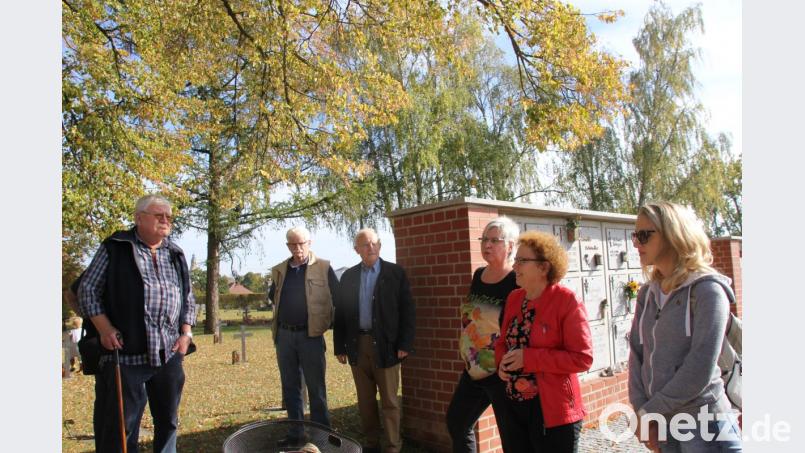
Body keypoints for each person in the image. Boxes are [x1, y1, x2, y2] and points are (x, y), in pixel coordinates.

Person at [78, 194, 197, 453]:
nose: (165, 221)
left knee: (168, 421)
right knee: (123, 427)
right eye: (159, 215)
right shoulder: (116, 247)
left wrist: (186, 333)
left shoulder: (175, 253)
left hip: (169, 353)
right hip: (126, 353)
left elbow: (188, 297)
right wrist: (104, 328)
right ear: (139, 218)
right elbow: (87, 290)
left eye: (169, 217)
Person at [628, 202, 742, 452]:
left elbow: (700, 366)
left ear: (674, 235)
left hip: (707, 425)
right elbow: (637, 354)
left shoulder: (708, 290)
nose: (636, 243)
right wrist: (642, 410)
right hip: (667, 426)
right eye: (635, 236)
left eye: (644, 235)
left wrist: (649, 412)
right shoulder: (647, 294)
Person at [494, 230, 593, 453]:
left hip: (553, 413)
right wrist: (501, 363)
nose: (514, 266)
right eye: (515, 260)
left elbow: (582, 358)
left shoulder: (566, 300)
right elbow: (503, 341)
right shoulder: (514, 298)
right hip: (514, 409)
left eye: (522, 260)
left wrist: (528, 359)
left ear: (544, 267)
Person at [334, 228, 415, 453]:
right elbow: (340, 313)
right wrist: (339, 346)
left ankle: (392, 446)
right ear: (356, 249)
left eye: (374, 243)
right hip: (357, 345)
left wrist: (405, 344)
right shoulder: (349, 277)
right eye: (365, 244)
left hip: (387, 346)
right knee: (366, 400)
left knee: (389, 401)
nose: (370, 247)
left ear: (379, 246)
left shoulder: (395, 273)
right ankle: (371, 443)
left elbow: (408, 311)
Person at [445, 217, 519, 453]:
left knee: (511, 437)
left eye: (494, 240)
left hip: (501, 371)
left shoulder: (516, 280)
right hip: (474, 368)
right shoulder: (479, 275)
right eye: (484, 239)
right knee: (457, 422)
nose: (487, 244)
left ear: (510, 245)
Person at [268, 226, 339, 446]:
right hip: (284, 336)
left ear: (310, 243)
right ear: (287, 245)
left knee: (316, 389)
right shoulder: (280, 270)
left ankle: (320, 437)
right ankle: (296, 434)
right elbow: (273, 296)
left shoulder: (324, 267)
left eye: (301, 243)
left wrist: (327, 322)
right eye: (293, 244)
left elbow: (338, 298)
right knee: (290, 387)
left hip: (311, 337)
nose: (297, 248)